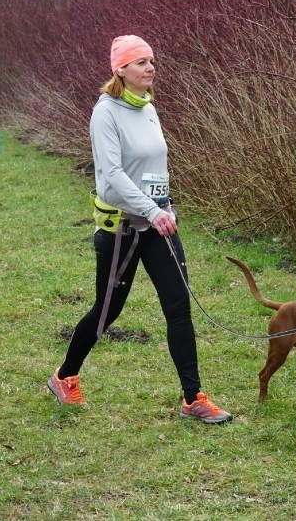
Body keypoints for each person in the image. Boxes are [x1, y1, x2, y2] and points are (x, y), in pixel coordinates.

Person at [47, 35, 232, 424]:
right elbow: (111, 178)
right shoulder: (106, 112)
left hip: (159, 224)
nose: (151, 68)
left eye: (152, 61)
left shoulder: (148, 107)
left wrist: (164, 206)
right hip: (123, 232)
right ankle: (64, 376)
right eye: (141, 62)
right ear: (120, 70)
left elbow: (153, 168)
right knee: (107, 312)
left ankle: (193, 397)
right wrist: (150, 208)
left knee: (178, 307)